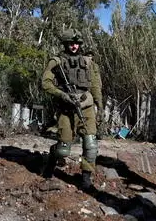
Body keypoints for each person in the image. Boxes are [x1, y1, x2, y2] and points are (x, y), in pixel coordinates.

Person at [41, 29, 104, 190]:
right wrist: (62, 95)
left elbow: (96, 87)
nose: (74, 46)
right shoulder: (56, 61)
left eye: (76, 43)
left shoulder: (89, 62)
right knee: (63, 150)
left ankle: (86, 178)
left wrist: (100, 107)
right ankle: (52, 158)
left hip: (86, 106)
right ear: (65, 44)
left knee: (90, 144)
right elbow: (46, 84)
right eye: (71, 43)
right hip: (66, 107)